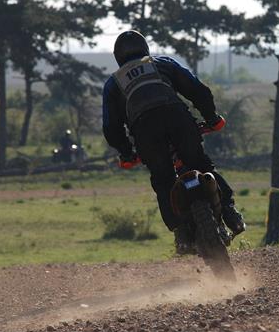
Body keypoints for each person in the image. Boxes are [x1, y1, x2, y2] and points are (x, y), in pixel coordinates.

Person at [102, 30, 245, 254]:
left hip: (145, 131)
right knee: (201, 164)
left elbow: (111, 127)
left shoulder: (113, 83)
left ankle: (181, 235)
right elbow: (198, 90)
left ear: (118, 57)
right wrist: (211, 118)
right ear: (145, 48)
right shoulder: (162, 63)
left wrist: (127, 153)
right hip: (177, 118)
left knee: (163, 180)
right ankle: (229, 211)